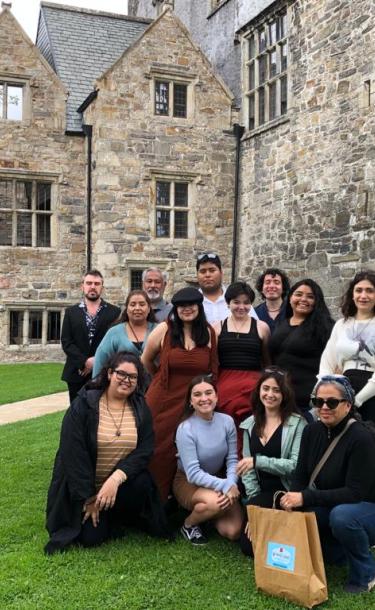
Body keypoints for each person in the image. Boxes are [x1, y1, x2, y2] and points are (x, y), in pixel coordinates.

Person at [45, 351, 169, 555]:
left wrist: (115, 479)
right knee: (90, 538)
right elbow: (73, 455)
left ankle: (117, 514)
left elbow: (145, 449)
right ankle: (102, 512)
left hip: (118, 486)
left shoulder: (140, 407)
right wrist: (88, 498)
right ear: (110, 373)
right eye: (122, 374)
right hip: (86, 488)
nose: (127, 381)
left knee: (143, 482)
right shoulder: (84, 404)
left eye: (133, 377)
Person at [280, 375, 375, 595]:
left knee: (342, 517)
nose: (324, 407)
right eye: (318, 401)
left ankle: (366, 574)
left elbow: (354, 493)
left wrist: (305, 497)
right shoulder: (311, 431)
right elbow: (301, 474)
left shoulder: (361, 438)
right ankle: (338, 553)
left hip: (365, 506)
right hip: (334, 502)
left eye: (332, 402)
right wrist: (293, 499)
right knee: (305, 510)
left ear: (348, 405)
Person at [142, 287, 218, 502]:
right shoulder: (164, 330)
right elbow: (145, 360)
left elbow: (213, 369)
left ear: (198, 307)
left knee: (189, 449)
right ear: (175, 308)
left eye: (191, 305)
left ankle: (184, 499)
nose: (187, 309)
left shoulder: (209, 333)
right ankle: (155, 500)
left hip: (194, 402)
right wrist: (160, 378)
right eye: (182, 306)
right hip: (163, 399)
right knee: (159, 449)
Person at [238, 367, 306, 556]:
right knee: (247, 547)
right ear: (259, 391)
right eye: (266, 388)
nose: (270, 394)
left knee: (258, 544)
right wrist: (255, 506)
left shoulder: (297, 424)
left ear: (285, 394)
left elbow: (294, 466)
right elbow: (247, 469)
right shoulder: (249, 424)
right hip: (260, 494)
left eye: (276, 390)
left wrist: (258, 461)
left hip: (287, 492)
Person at [173, 375, 243, 545]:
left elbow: (232, 458)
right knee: (215, 503)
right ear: (190, 401)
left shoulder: (226, 421)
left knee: (233, 531)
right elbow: (193, 474)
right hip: (188, 483)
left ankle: (207, 514)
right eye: (197, 394)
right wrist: (226, 486)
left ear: (216, 396)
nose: (204, 398)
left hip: (218, 479)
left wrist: (231, 483)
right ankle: (189, 524)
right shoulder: (185, 429)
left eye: (208, 393)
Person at [213, 281, 270, 443]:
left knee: (250, 428)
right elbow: (214, 361)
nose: (241, 307)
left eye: (246, 303)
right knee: (225, 428)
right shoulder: (217, 328)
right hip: (225, 385)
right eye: (236, 302)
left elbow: (266, 361)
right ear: (228, 303)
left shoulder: (262, 327)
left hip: (253, 386)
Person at [269, 278, 334, 419]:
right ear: (290, 297)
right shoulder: (281, 324)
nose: (303, 299)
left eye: (310, 297)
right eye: (298, 294)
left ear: (317, 302)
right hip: (279, 399)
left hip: (307, 402)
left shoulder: (326, 328)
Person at [320, 270, 375, 423]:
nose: (363, 296)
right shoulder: (342, 325)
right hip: (341, 393)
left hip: (371, 394)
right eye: (359, 290)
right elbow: (328, 361)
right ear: (352, 294)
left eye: (370, 291)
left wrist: (357, 400)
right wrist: (326, 393)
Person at [61, 269, 120, 403]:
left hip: (104, 372)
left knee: (100, 412)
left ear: (102, 288)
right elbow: (66, 342)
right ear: (83, 286)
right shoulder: (71, 312)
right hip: (77, 372)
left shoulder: (114, 312)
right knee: (77, 413)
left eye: (96, 283)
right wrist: (84, 362)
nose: (92, 286)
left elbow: (115, 342)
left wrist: (96, 360)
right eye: (89, 283)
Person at [92, 290, 157, 377]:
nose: (137, 308)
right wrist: (97, 386)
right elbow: (100, 361)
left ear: (149, 308)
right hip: (124, 386)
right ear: (127, 309)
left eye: (142, 304)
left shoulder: (159, 330)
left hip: (155, 386)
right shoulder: (114, 332)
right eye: (132, 304)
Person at [196, 252, 257, 324]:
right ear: (197, 275)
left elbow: (256, 327)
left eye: (212, 270)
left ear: (221, 272)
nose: (207, 275)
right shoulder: (193, 302)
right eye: (203, 271)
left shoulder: (236, 298)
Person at [255, 267, 290, 334]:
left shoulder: (292, 311)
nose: (271, 286)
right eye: (267, 282)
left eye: (276, 282)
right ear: (262, 289)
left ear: (283, 288)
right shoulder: (255, 313)